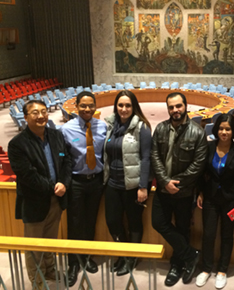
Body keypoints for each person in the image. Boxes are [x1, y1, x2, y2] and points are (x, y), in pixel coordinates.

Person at [8, 100, 71, 289]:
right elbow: (28, 175)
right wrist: (54, 187)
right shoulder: (17, 144)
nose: (41, 116)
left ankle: (50, 270)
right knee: (34, 246)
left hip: (56, 199)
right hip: (34, 202)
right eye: (35, 113)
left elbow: (66, 161)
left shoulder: (56, 135)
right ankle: (37, 281)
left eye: (44, 111)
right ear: (26, 117)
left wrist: (65, 183)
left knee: (50, 240)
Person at [151, 92, 208, 286]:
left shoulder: (198, 132)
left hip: (183, 192)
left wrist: (176, 183)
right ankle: (191, 255)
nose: (175, 110)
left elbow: (198, 165)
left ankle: (177, 265)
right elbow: (155, 156)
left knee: (183, 229)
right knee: (158, 222)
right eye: (171, 107)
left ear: (186, 106)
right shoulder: (160, 128)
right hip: (162, 189)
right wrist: (165, 181)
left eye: (178, 106)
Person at [103, 90, 152, 276]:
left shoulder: (142, 127)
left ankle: (131, 258)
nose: (124, 109)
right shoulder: (109, 126)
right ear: (116, 106)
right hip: (112, 183)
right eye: (120, 105)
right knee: (112, 222)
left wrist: (142, 186)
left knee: (134, 223)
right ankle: (123, 254)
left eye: (128, 105)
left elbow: (146, 158)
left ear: (134, 107)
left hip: (133, 186)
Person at [196, 114, 234, 289]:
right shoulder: (209, 147)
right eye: (221, 128)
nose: (224, 132)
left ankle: (222, 270)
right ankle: (206, 268)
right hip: (210, 198)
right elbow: (201, 172)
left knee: (227, 236)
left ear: (233, 131)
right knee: (208, 235)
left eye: (228, 129)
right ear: (216, 130)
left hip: (230, 201)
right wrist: (201, 192)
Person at [61, 91, 107, 287]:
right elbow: (62, 158)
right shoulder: (66, 130)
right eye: (83, 106)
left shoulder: (103, 126)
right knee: (75, 221)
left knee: (90, 220)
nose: (87, 109)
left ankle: (87, 257)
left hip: (96, 181)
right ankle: (73, 263)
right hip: (76, 182)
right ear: (76, 106)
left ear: (95, 106)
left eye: (90, 105)